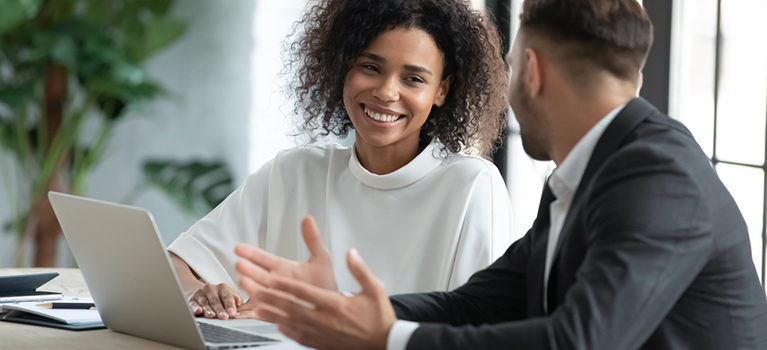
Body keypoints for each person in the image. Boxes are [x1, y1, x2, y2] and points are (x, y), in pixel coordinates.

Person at [233, 0, 767, 349]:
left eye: (510, 66)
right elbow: (476, 304)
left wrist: (390, 338)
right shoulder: (588, 175)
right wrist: (346, 311)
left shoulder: (657, 176)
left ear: (531, 73)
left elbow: (576, 342)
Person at [168, 0, 512, 321]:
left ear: (442, 89)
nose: (386, 92)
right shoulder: (294, 172)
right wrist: (198, 293)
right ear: (343, 67)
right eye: (371, 67)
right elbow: (171, 264)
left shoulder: (471, 186)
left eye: (413, 79)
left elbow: (478, 329)